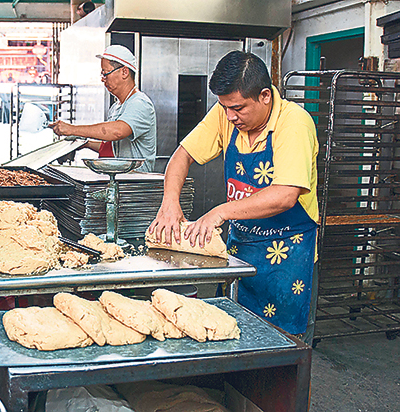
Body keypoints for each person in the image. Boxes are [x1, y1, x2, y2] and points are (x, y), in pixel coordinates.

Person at [148, 50, 319, 344]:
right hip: (239, 252)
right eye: (224, 107)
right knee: (227, 339)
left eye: (238, 108)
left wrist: (221, 211)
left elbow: (284, 196)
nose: (230, 116)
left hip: (288, 259)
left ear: (265, 96)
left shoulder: (294, 124)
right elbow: (182, 156)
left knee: (281, 351)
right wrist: (170, 202)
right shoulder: (226, 114)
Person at [49, 45, 157, 173]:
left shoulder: (140, 103)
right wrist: (85, 144)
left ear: (124, 72)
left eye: (105, 73)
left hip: (135, 185)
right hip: (119, 181)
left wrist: (72, 129)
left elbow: (117, 132)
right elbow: (111, 148)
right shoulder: (116, 107)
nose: (102, 79)